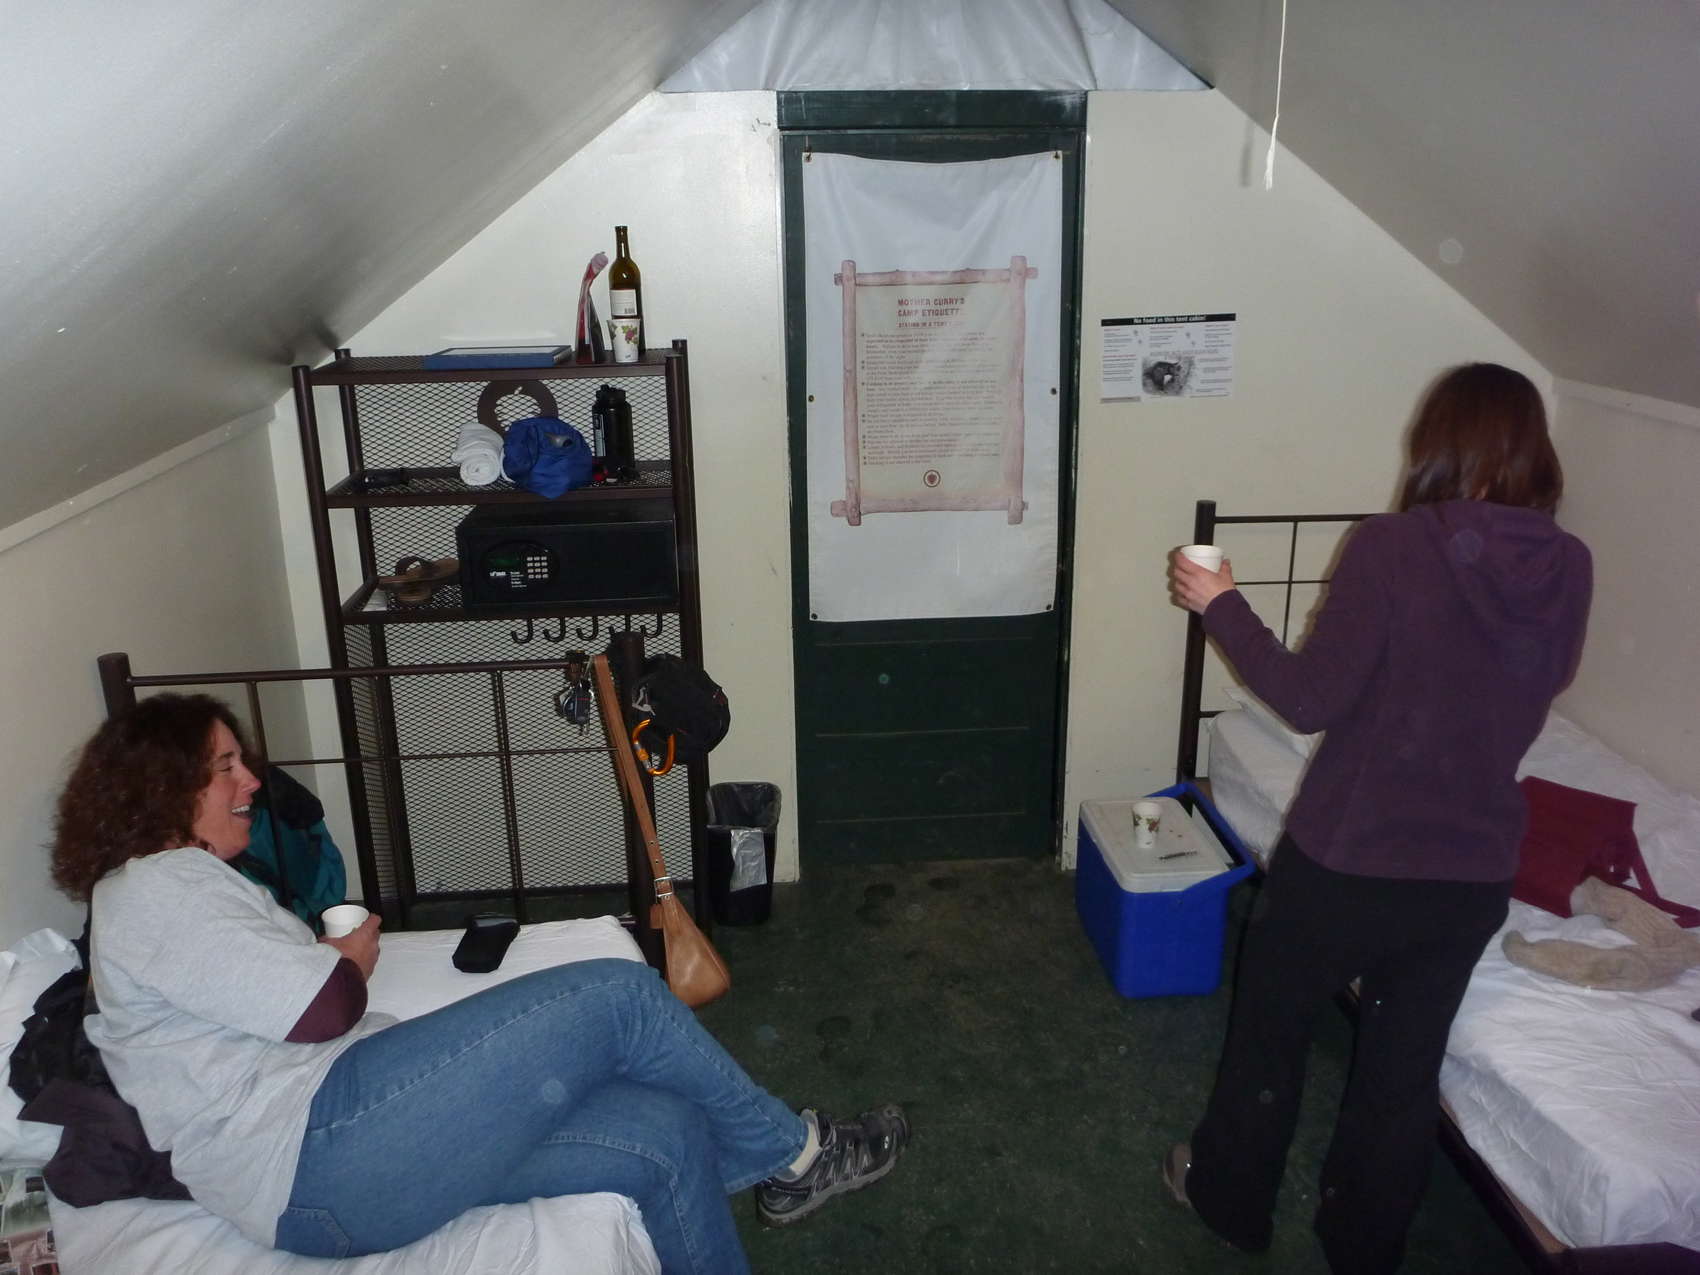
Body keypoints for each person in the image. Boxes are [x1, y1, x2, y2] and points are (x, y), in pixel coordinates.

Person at [52, 694, 908, 1273]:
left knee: (666, 1132)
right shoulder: (153, 886)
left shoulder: (176, 889)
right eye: (226, 766)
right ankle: (796, 1154)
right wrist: (347, 961)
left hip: (329, 1181)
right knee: (618, 997)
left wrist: (324, 958)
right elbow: (326, 1007)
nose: (250, 782)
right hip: (319, 1152)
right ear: (165, 787)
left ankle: (779, 1163)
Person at [1162, 363, 1591, 1274]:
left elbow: (1308, 699)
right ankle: (1363, 1239)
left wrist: (1222, 605)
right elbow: (1534, 682)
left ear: (1439, 443)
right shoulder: (1571, 563)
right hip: (1470, 876)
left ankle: (1228, 1198)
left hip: (1349, 864)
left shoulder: (1392, 546)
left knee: (1271, 1031)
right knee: (1403, 1072)